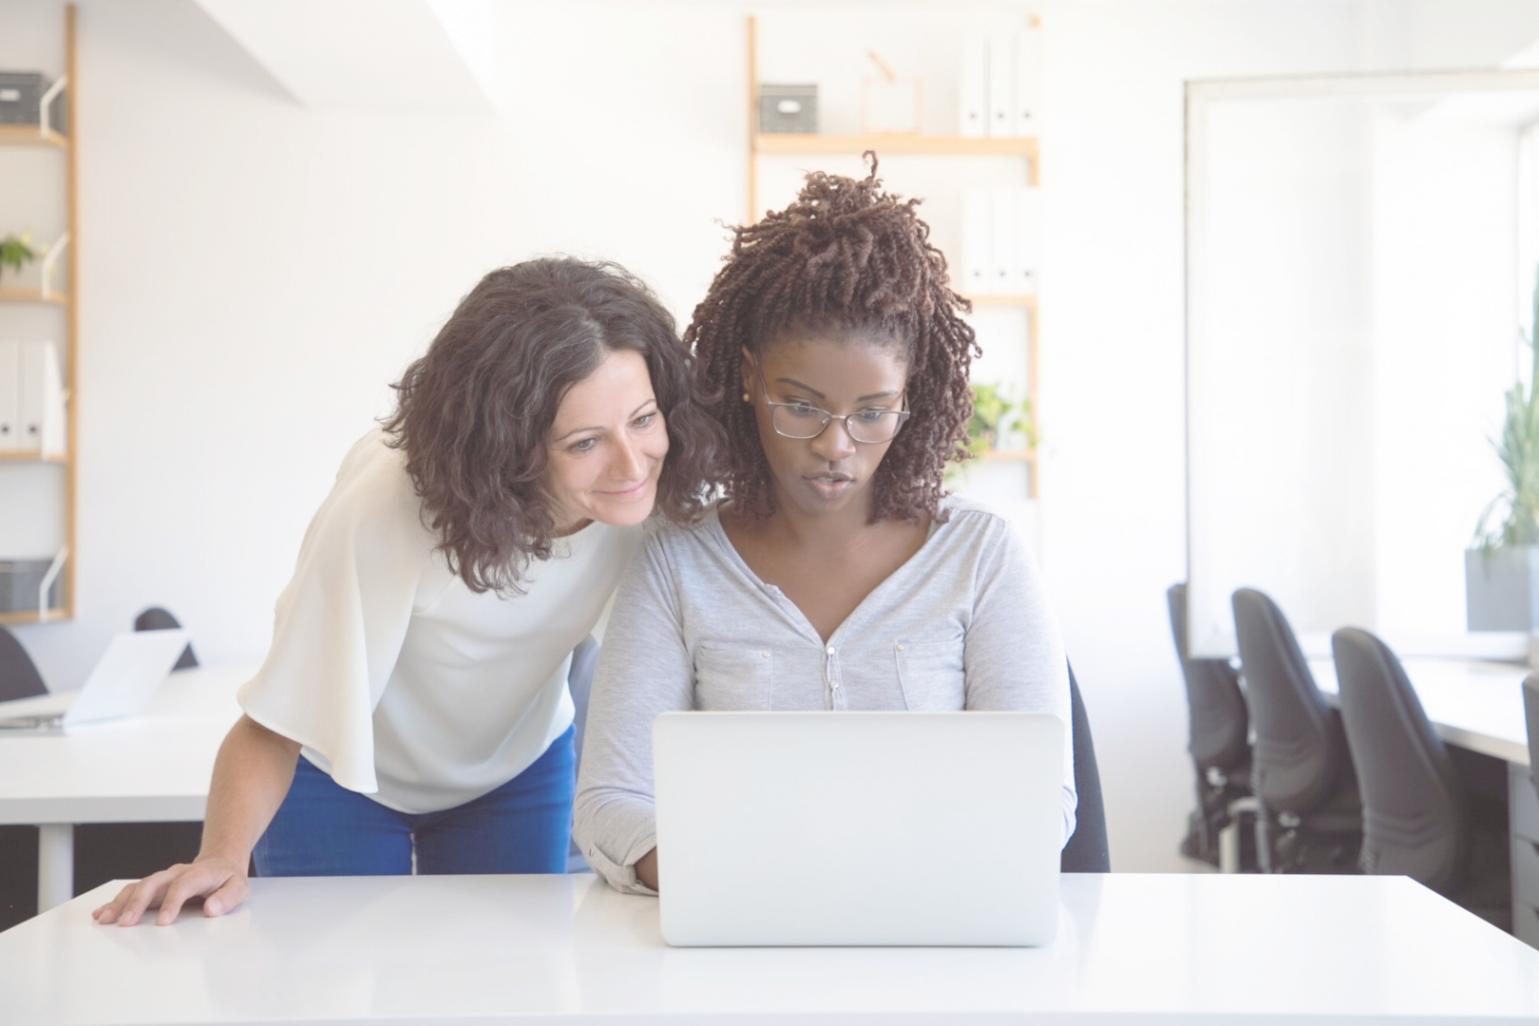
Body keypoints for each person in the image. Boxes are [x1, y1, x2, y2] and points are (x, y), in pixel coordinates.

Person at [95, 258, 717, 926]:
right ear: (508, 448)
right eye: (585, 442)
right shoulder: (387, 508)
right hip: (338, 778)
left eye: (644, 419)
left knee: (507, 985)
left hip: (515, 771)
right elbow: (274, 723)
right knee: (319, 985)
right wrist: (220, 856)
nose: (631, 464)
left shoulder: (655, 501)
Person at [573, 156, 1075, 895]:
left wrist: (881, 878)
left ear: (912, 397)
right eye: (800, 406)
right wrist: (751, 879)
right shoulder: (678, 562)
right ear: (748, 379)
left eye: (872, 412)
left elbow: (1038, 803)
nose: (835, 446)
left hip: (932, 935)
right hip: (742, 933)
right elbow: (612, 805)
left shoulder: (982, 556)